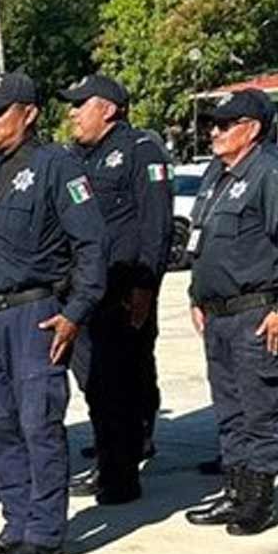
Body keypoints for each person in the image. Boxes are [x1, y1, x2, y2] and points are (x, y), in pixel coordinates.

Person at [0, 72, 107, 554]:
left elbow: (91, 245)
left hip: (35, 313)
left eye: (0, 111)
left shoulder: (56, 166)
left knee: (38, 423)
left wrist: (74, 313)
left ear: (31, 113)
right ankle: (16, 520)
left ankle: (45, 531)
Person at [183, 87, 278, 536]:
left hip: (256, 311)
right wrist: (195, 297)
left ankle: (258, 499)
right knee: (229, 409)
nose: (214, 132)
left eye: (225, 124)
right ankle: (234, 489)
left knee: (259, 408)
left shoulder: (273, 173)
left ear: (252, 129)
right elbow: (201, 243)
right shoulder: (215, 174)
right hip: (217, 314)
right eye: (213, 124)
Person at [59, 73, 172, 505]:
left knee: (122, 380)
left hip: (124, 290)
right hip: (85, 291)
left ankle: (121, 472)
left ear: (107, 108)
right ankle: (111, 454)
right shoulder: (76, 158)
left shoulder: (140, 151)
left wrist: (145, 287)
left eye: (80, 104)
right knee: (94, 382)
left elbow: (155, 226)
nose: (72, 112)